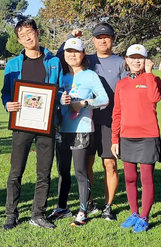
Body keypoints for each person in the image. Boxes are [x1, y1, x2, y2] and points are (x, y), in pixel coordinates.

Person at [0, 18, 63, 230]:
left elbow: (60, 88)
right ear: (19, 40)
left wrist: (61, 100)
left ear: (37, 32)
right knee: (15, 172)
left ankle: (39, 214)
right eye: (22, 36)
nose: (28, 38)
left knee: (43, 172)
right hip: (21, 124)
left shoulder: (53, 62)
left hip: (46, 125)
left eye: (30, 32)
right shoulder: (12, 65)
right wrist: (8, 104)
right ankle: (11, 214)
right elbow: (6, 93)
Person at [64, 23, 127, 221]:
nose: (102, 40)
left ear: (113, 39)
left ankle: (108, 206)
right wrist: (70, 35)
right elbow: (66, 55)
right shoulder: (87, 59)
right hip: (86, 122)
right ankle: (89, 203)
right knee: (87, 165)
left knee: (110, 164)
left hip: (110, 121)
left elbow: (125, 90)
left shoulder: (120, 62)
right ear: (92, 41)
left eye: (106, 37)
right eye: (98, 37)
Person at [55, 38, 108, 227]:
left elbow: (104, 99)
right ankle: (62, 207)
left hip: (82, 130)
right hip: (62, 129)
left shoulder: (90, 75)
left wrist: (84, 103)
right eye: (68, 51)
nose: (72, 55)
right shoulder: (61, 76)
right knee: (62, 171)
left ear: (83, 54)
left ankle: (83, 211)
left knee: (80, 171)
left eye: (76, 52)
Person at [110, 44, 161, 233]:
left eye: (141, 57)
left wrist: (148, 73)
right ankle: (134, 213)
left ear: (147, 60)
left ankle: (144, 217)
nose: (136, 60)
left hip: (148, 136)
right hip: (126, 137)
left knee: (146, 179)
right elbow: (117, 112)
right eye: (133, 57)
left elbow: (155, 98)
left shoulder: (153, 79)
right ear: (126, 59)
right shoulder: (121, 84)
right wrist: (115, 138)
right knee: (130, 178)